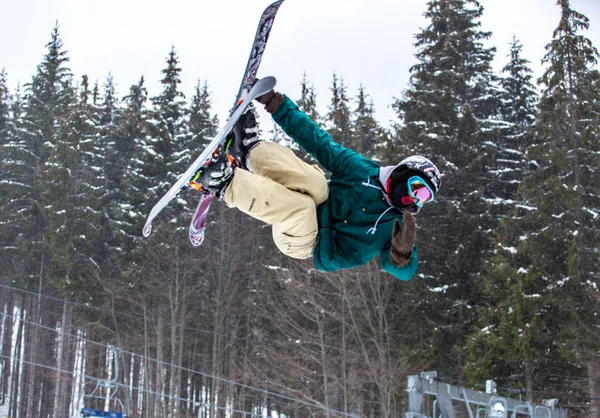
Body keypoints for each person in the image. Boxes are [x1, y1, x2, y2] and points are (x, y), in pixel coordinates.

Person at [192, 86, 441, 280]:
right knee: (316, 182)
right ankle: (248, 152)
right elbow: (318, 142)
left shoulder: (396, 226)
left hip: (308, 242)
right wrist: (277, 105)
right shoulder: (362, 170)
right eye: (417, 188)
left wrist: (402, 253)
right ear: (402, 172)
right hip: (315, 202)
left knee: (303, 208)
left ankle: (223, 182)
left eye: (424, 199)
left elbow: (402, 271)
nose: (414, 199)